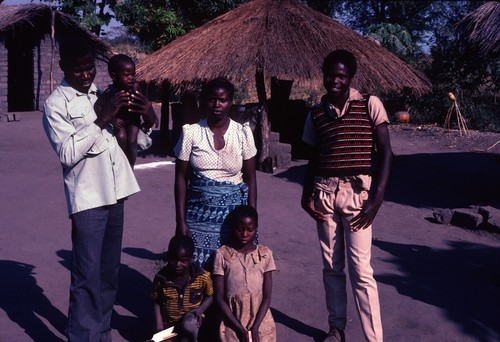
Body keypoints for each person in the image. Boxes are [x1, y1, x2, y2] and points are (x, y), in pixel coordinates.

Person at [42, 36, 143, 341]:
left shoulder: (101, 92)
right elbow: (68, 153)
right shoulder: (55, 104)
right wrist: (101, 120)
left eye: (89, 68)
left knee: (109, 272)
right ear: (63, 68)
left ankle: (101, 332)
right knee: (86, 276)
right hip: (87, 199)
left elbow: (127, 139)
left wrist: (143, 118)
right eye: (78, 70)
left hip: (115, 192)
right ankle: (83, 336)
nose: (85, 75)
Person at [301, 49, 392, 342]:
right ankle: (336, 329)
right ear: (323, 75)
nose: (335, 81)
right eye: (331, 75)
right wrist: (306, 196)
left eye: (341, 76)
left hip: (358, 197)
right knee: (331, 268)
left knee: (362, 272)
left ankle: (373, 338)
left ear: (350, 77)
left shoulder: (370, 104)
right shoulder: (315, 114)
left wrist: (377, 198)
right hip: (325, 194)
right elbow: (314, 157)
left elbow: (387, 153)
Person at [174, 77, 257, 269]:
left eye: (223, 100)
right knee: (197, 271)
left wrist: (253, 217)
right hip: (197, 215)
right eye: (211, 99)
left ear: (231, 102)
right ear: (204, 101)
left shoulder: (242, 133)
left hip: (234, 214)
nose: (217, 105)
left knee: (232, 269)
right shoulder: (191, 133)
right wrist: (180, 220)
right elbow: (180, 178)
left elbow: (251, 178)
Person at [213, 205, 276, 342]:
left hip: (260, 319)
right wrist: (239, 328)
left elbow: (266, 297)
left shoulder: (265, 254)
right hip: (232, 319)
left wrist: (255, 327)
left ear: (256, 228)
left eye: (250, 230)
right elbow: (218, 297)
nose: (245, 234)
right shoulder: (223, 254)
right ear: (233, 228)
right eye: (240, 229)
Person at [96, 54, 158, 166]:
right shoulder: (110, 92)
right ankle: (121, 163)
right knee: (121, 138)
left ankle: (130, 166)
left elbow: (145, 101)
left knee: (132, 141)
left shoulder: (135, 87)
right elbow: (98, 106)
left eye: (133, 74)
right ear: (114, 76)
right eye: (127, 75)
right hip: (119, 120)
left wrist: (154, 115)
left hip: (133, 119)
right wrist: (112, 120)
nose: (132, 78)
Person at [150, 235, 213, 342]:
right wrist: (159, 326)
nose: (178, 264)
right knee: (156, 340)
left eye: (183, 261)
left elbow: (210, 296)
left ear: (191, 259)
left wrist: (199, 310)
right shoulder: (161, 278)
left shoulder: (202, 277)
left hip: (192, 324)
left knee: (189, 324)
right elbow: (156, 301)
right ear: (168, 256)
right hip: (169, 328)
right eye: (174, 259)